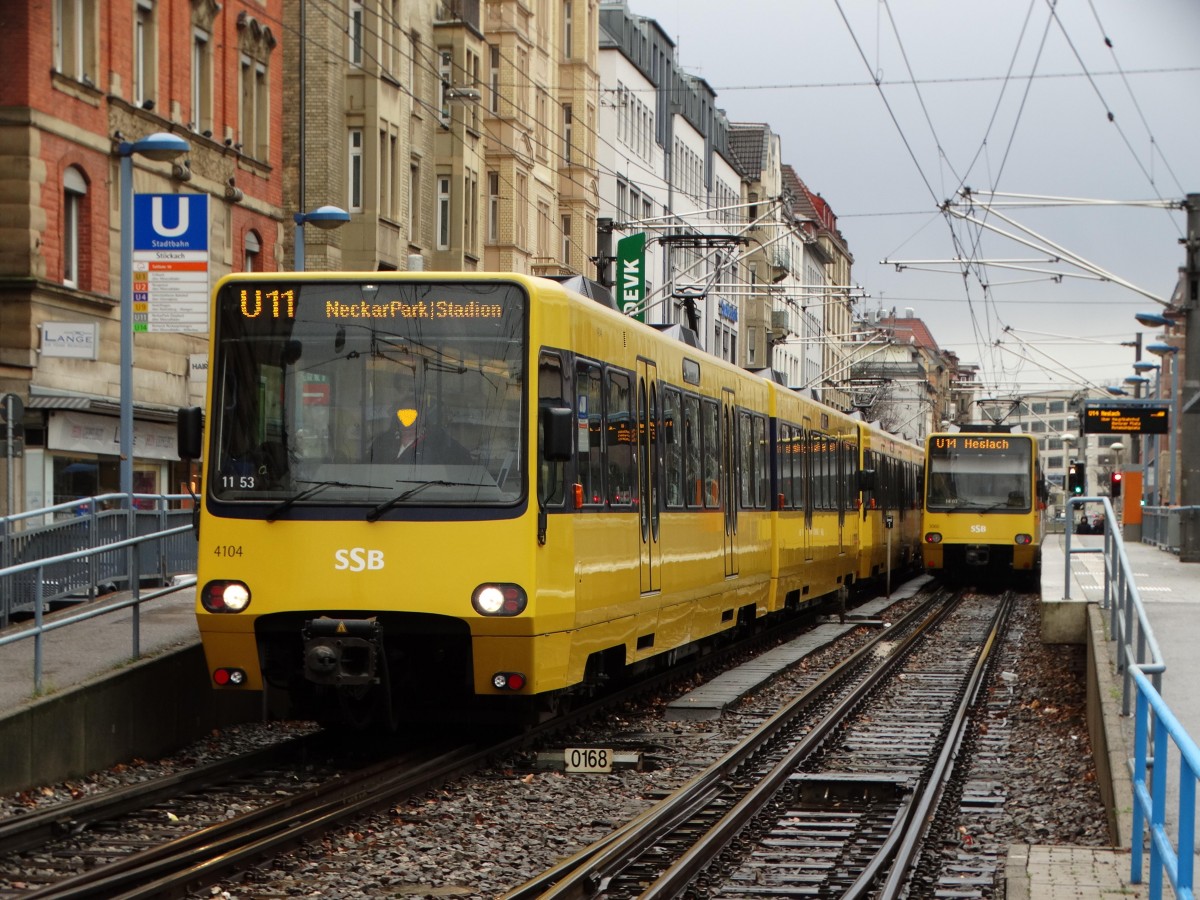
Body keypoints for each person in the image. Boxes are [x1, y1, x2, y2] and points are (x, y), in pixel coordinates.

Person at [367, 376, 472, 466]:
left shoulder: (440, 443)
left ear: (422, 417)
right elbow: (366, 469)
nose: (407, 419)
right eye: (402, 413)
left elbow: (464, 465)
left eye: (412, 414)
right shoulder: (382, 442)